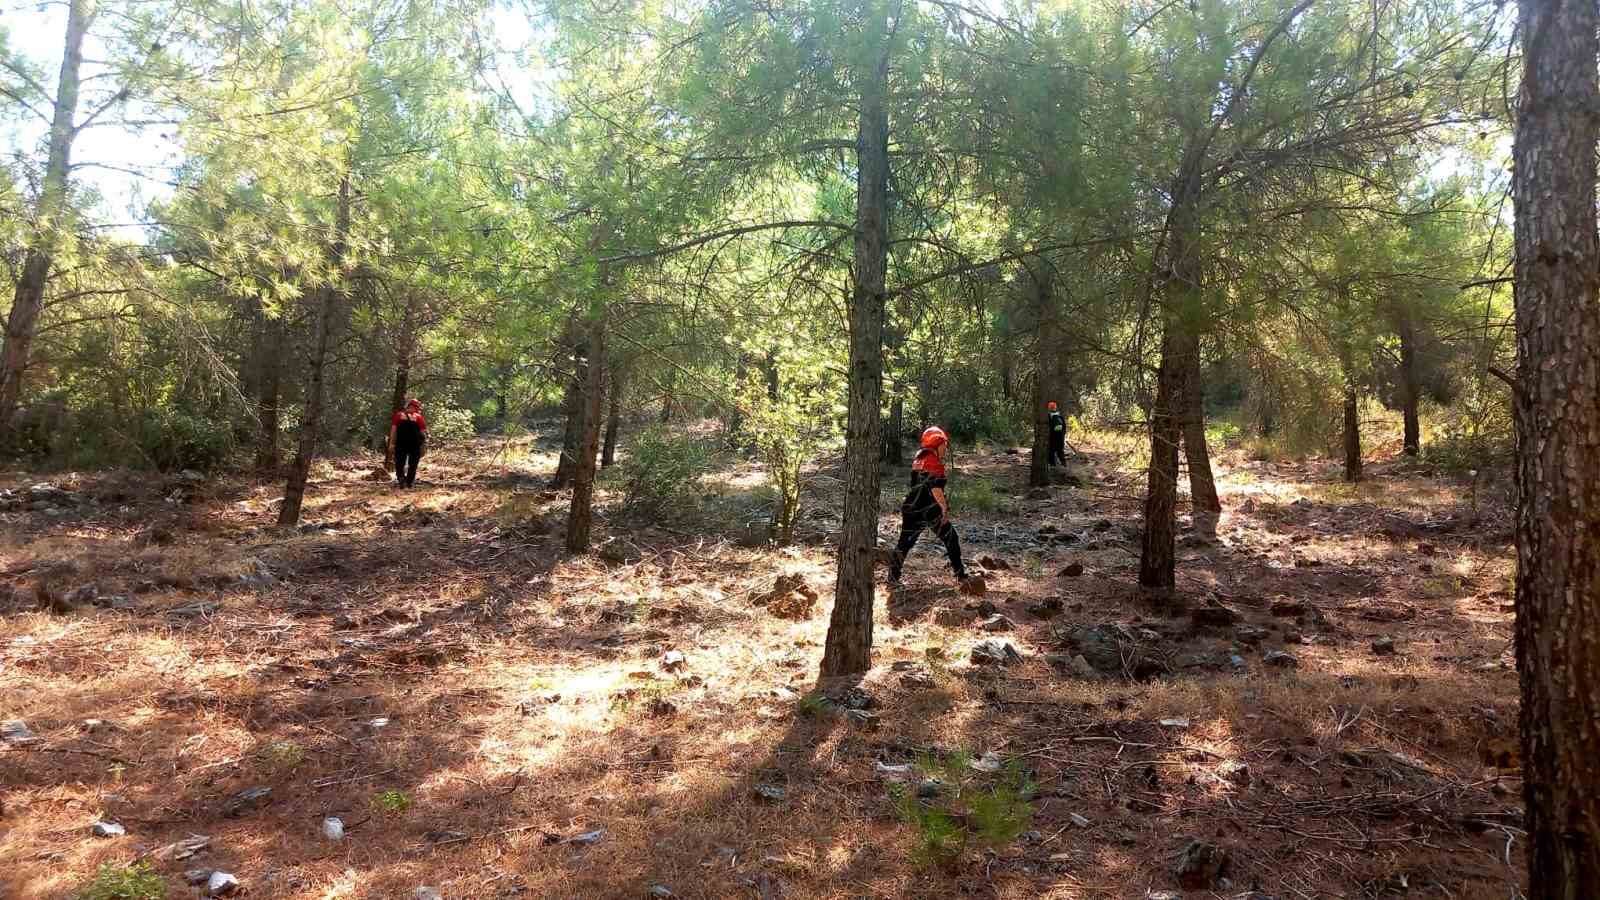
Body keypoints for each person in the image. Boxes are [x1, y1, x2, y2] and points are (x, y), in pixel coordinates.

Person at [888, 426, 968, 586]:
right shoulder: (933, 461)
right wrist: (944, 508)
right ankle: (961, 577)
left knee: (904, 543)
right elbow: (935, 488)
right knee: (951, 537)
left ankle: (892, 578)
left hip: (911, 507)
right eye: (944, 445)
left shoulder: (919, 458)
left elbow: (916, 484)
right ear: (937, 444)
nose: (946, 448)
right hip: (929, 509)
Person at [388, 398, 427, 488]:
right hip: (415, 444)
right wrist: (424, 445)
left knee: (399, 462)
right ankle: (409, 482)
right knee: (413, 463)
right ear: (417, 407)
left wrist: (391, 443)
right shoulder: (418, 417)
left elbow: (393, 431)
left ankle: (401, 480)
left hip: (401, 443)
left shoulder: (398, 415)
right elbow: (423, 433)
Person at [1047, 401, 1067, 467]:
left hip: (1052, 437)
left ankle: (1053, 467)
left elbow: (1048, 428)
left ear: (1049, 408)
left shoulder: (1049, 417)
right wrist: (1063, 435)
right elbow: (1064, 427)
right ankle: (1064, 465)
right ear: (1056, 408)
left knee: (1051, 452)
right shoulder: (1060, 417)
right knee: (1060, 451)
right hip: (1060, 437)